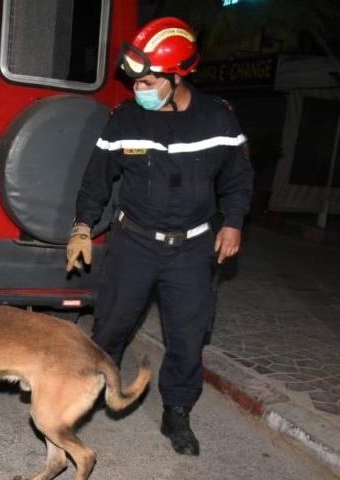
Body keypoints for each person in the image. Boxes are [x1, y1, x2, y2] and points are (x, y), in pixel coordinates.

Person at [65, 17, 253, 455]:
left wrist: (233, 221)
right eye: (136, 82)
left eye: (148, 82)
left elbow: (238, 178)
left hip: (192, 248)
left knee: (188, 336)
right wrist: (82, 226)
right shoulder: (125, 119)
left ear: (177, 76)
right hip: (134, 242)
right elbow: (96, 179)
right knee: (111, 325)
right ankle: (90, 395)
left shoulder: (219, 119)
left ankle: (177, 412)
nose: (139, 89)